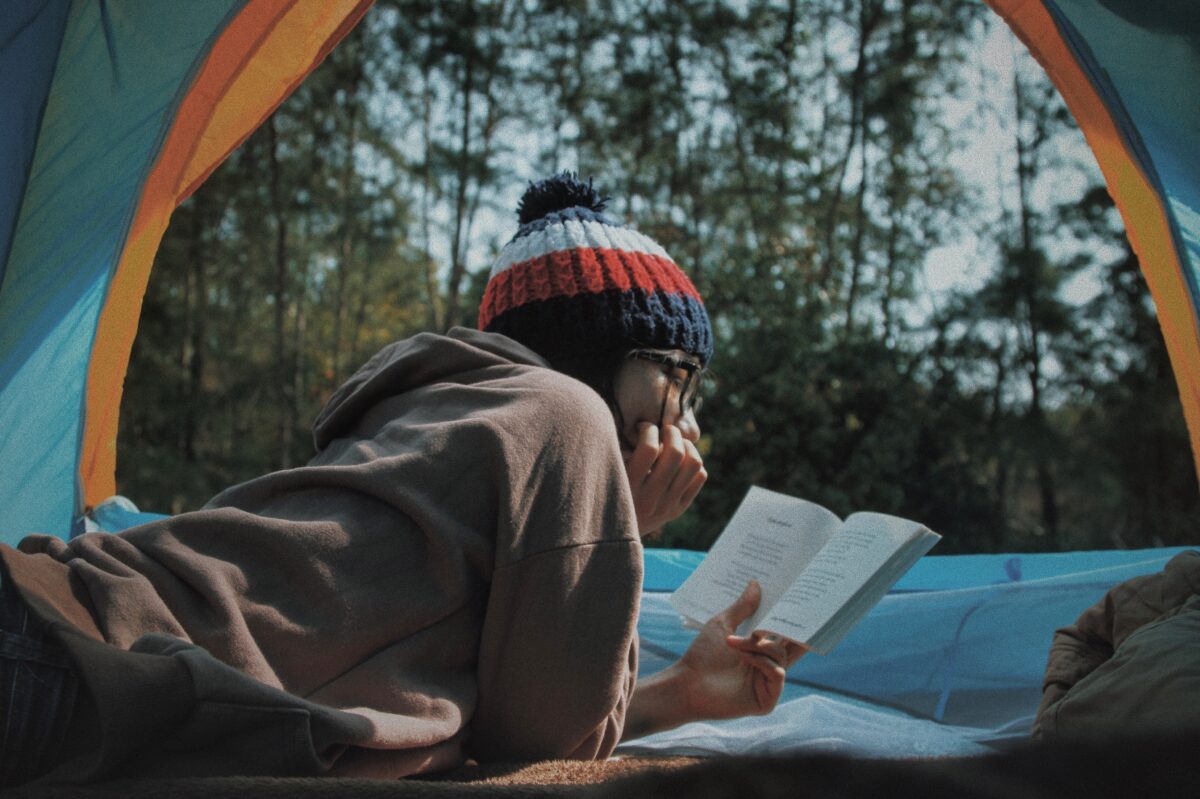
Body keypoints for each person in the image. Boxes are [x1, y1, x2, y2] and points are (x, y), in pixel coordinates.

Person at [0, 173, 804, 787]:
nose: (690, 419)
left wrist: (681, 691)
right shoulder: (567, 416)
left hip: (51, 626)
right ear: (601, 356)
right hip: (74, 662)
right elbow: (545, 754)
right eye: (678, 375)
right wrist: (625, 521)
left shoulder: (449, 411)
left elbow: (505, 707)